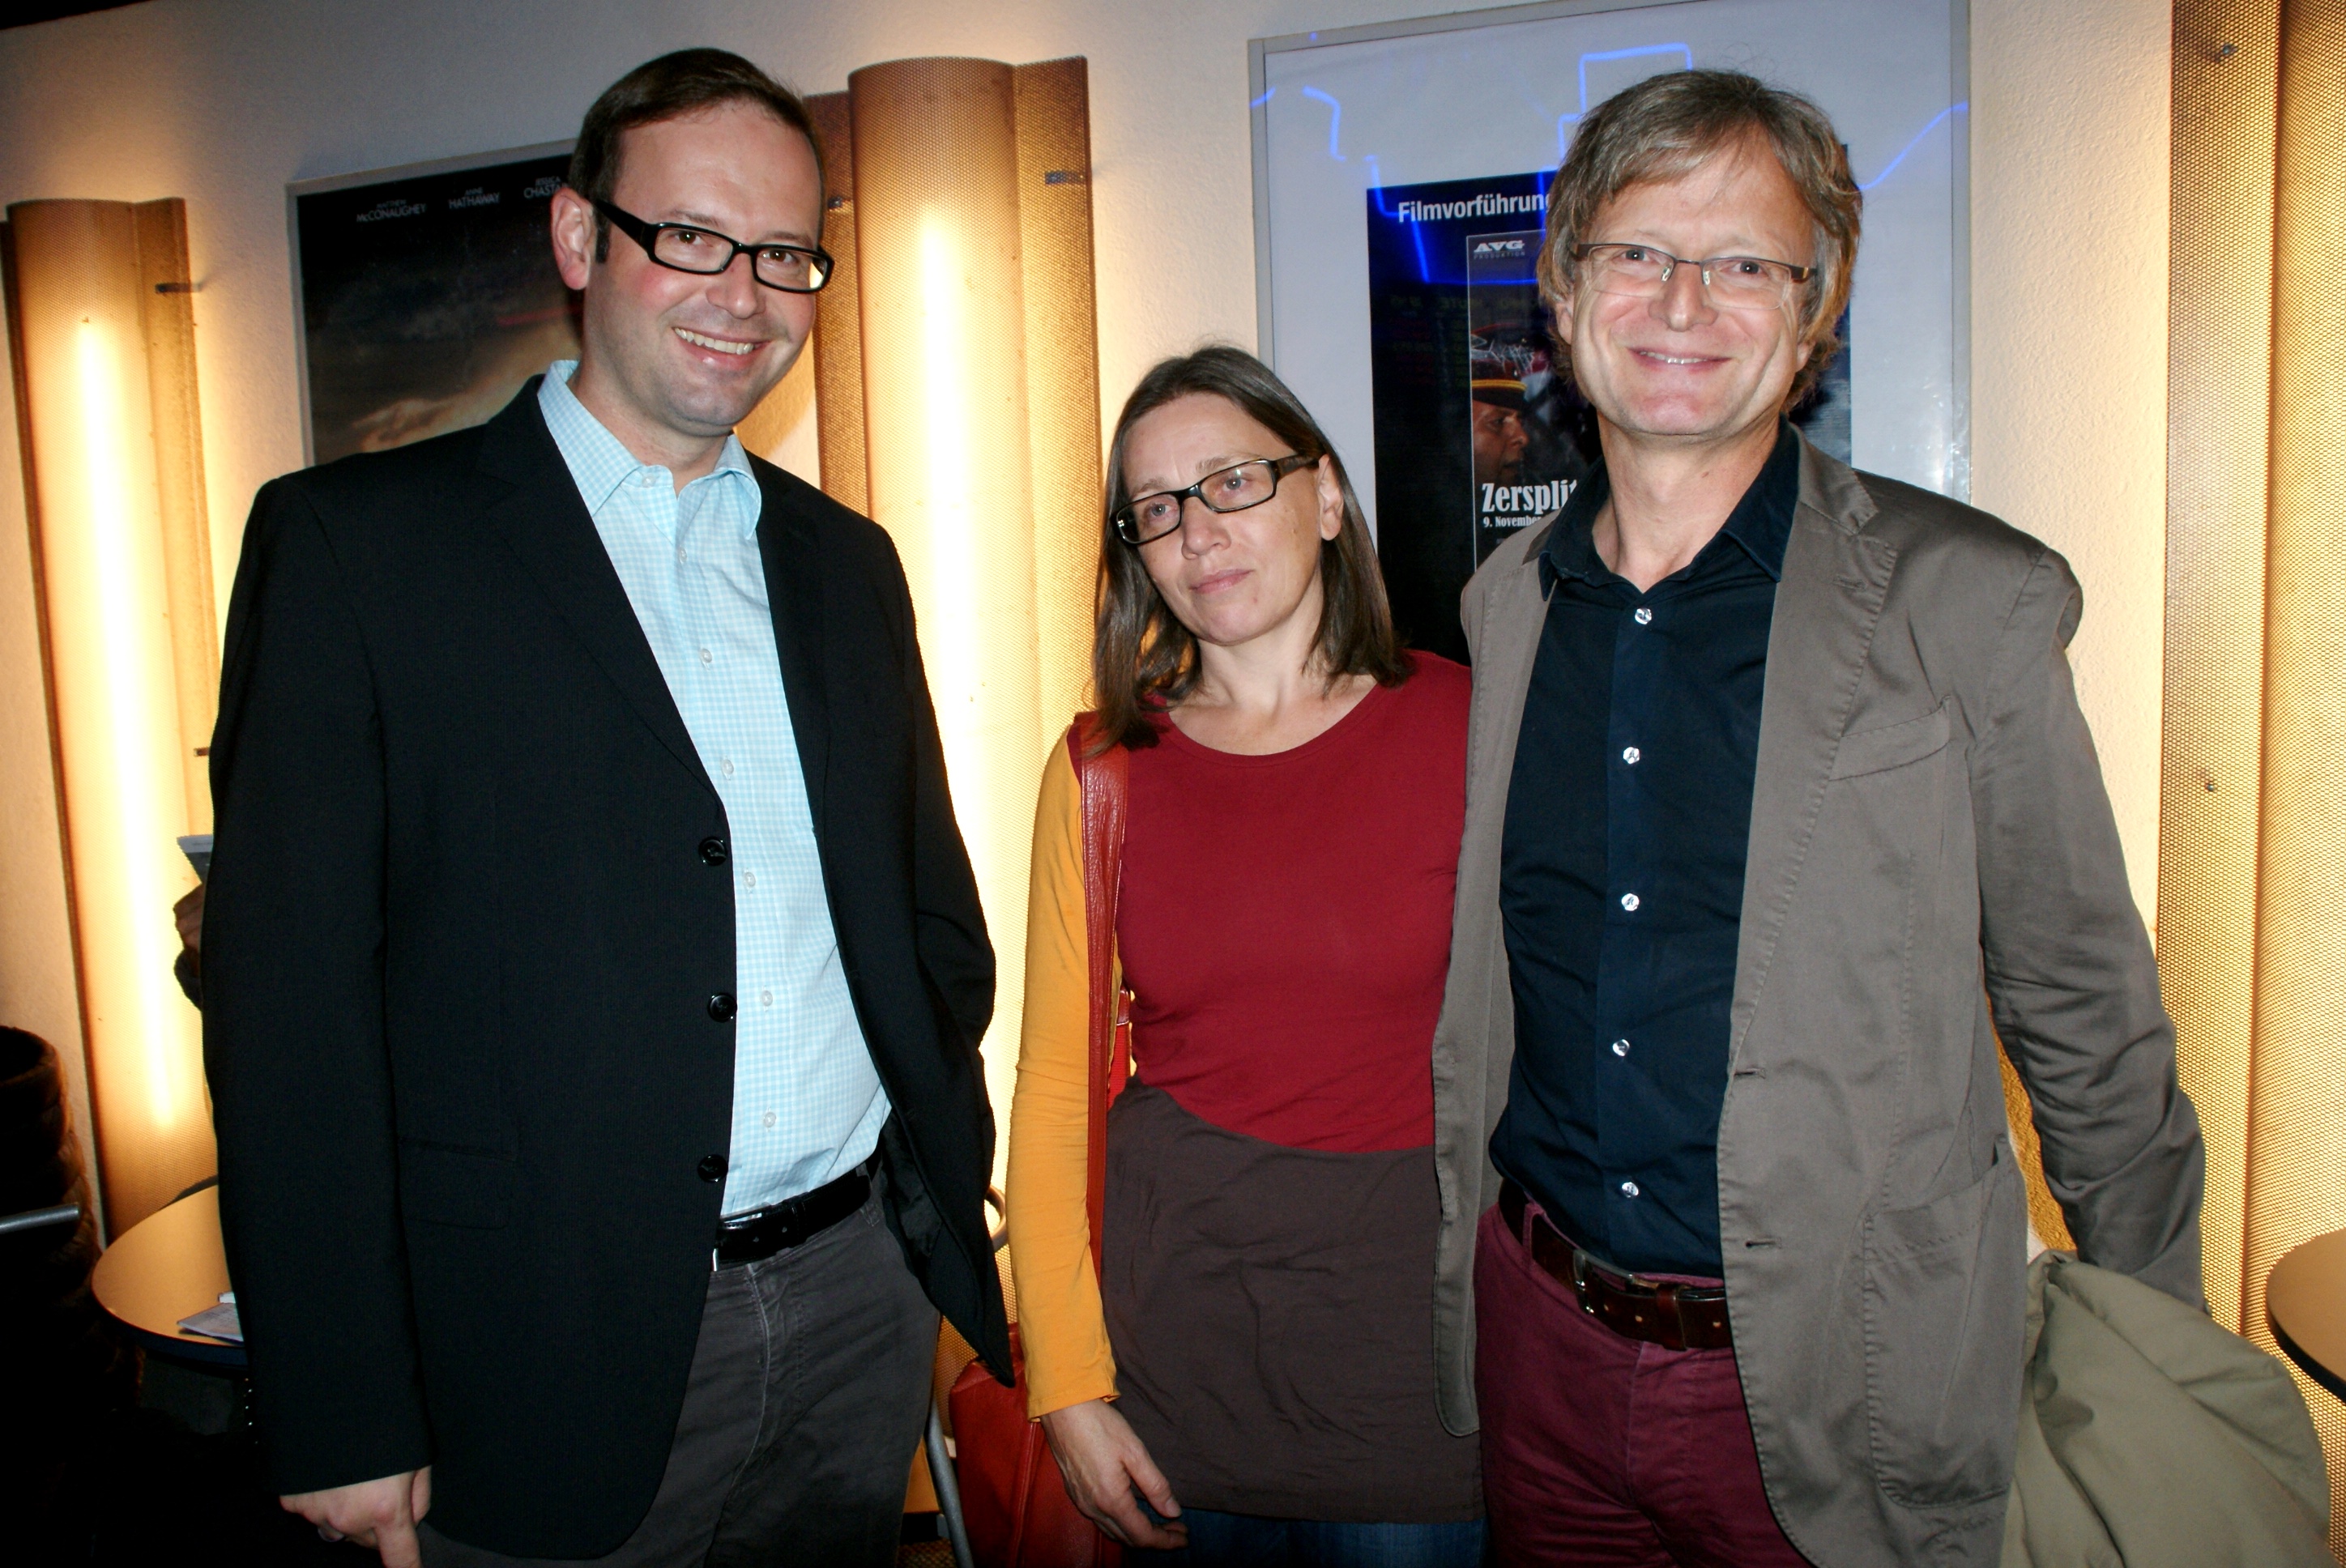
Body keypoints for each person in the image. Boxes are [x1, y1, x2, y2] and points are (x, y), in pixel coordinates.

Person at [204, 49, 1007, 1568]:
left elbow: (924, 917)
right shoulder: (357, 551)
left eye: (785, 254)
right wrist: (342, 1402)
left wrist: (928, 1189)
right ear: (580, 237)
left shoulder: (849, 564)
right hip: (534, 1350)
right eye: (692, 236)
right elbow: (288, 1014)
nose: (744, 295)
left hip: (858, 1311)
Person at [1426, 70, 2207, 1567]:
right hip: (1544, 1360)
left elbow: (2086, 1019)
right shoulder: (1507, 606)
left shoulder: (1969, 603)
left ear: (1812, 316)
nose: (1684, 301)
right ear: (1565, 293)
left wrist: (2155, 1367)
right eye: (1638, 251)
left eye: (1746, 262)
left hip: (1848, 1384)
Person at [1006, 347, 1485, 1566]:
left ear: (1325, 497)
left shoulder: (1472, 727)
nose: (1199, 531)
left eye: (1232, 482)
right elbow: (1056, 1090)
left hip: (1411, 1365)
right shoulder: (1102, 772)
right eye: (1157, 508)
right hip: (1175, 1361)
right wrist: (1067, 1385)